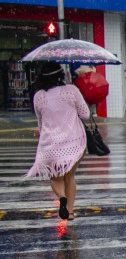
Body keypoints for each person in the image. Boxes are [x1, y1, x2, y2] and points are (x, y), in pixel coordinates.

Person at [25, 62, 90, 221]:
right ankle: (71, 211)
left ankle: (62, 197)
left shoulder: (39, 96)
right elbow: (86, 114)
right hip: (73, 142)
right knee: (70, 177)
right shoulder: (71, 90)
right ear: (60, 75)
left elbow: (41, 123)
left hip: (50, 145)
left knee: (55, 177)